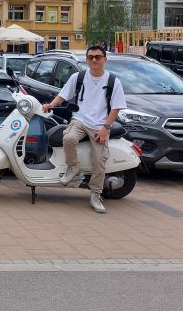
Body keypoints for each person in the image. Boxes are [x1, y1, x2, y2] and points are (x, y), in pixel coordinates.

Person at [41, 45, 127, 214]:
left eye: (98, 57)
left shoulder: (113, 81)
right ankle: (73, 168)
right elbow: (63, 95)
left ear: (105, 59)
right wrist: (51, 105)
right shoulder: (78, 77)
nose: (94, 60)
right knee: (68, 138)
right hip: (80, 120)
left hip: (100, 125)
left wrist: (105, 128)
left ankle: (96, 195)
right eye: (90, 57)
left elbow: (116, 107)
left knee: (99, 160)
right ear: (86, 60)